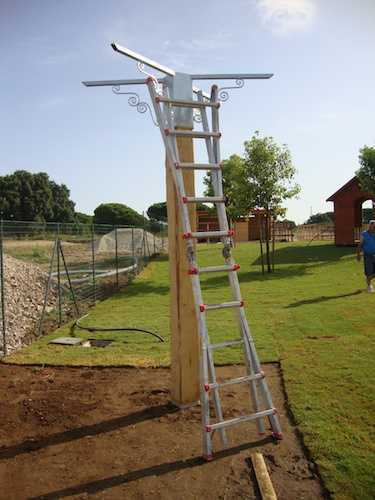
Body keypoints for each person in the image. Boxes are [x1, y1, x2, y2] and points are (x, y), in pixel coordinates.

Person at [357, 219, 375, 292]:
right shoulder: (364, 234)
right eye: (373, 226)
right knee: (369, 272)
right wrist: (358, 254)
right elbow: (360, 245)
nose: (374, 228)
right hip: (368, 255)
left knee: (371, 274)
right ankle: (369, 286)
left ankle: (368, 278)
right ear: (369, 226)